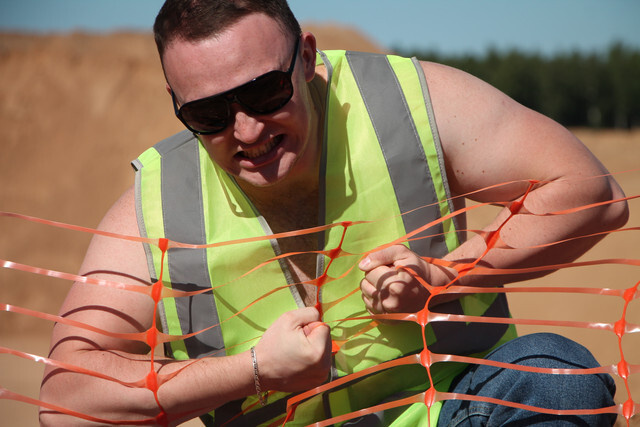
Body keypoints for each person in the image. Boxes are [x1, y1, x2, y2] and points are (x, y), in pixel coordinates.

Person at [39, 0, 628, 426]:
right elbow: (66, 399)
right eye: (209, 115)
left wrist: (446, 278)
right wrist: (253, 371)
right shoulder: (156, 202)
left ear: (307, 58)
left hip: (451, 411)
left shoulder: (407, 101)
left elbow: (590, 190)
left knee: (556, 376)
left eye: (266, 92)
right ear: (177, 106)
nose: (247, 130)